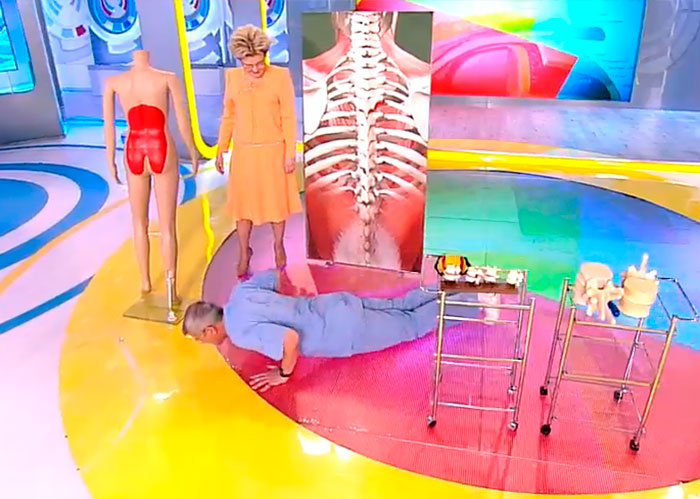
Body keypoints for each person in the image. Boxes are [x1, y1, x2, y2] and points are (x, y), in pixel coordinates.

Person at [182, 269, 461, 392]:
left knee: (411, 325)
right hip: (336, 304)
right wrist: (286, 306)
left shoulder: (240, 333)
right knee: (400, 304)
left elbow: (289, 339)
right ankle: (460, 282)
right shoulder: (240, 292)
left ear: (209, 331)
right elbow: (275, 276)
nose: (203, 343)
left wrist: (283, 374)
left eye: (199, 339)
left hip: (344, 331)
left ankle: (473, 305)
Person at [103, 49, 198, 297]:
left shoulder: (115, 82)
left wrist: (110, 160)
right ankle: (170, 286)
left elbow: (108, 127)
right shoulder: (166, 78)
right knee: (168, 226)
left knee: (138, 223)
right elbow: (183, 121)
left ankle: (145, 282)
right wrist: (192, 151)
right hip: (161, 146)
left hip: (133, 148)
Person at [215, 25, 302, 277]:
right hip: (244, 152)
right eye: (248, 65)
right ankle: (244, 251)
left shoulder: (280, 76)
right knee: (243, 206)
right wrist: (221, 147)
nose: (254, 69)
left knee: (276, 204)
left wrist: (290, 152)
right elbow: (229, 115)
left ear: (265, 56)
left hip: (273, 150)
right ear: (240, 61)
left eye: (258, 63)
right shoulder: (232, 78)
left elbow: (288, 116)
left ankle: (278, 245)